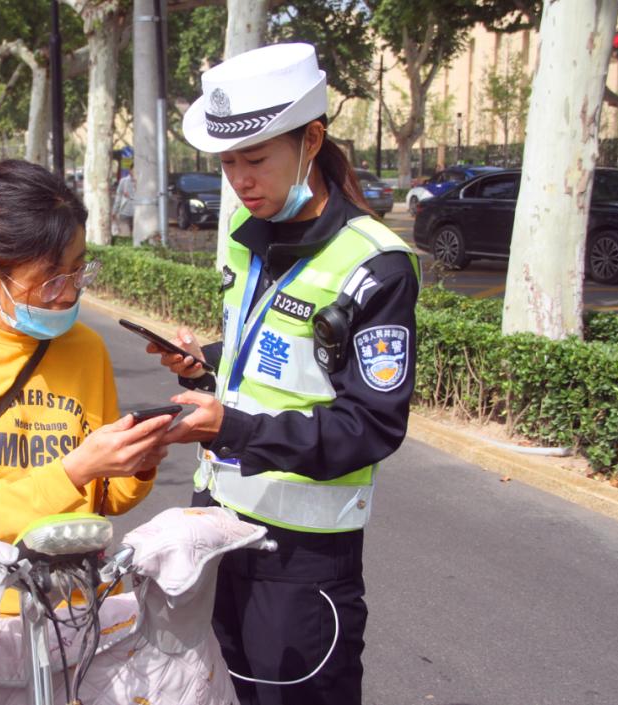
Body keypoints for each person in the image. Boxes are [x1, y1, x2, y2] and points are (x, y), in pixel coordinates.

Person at [151, 44, 420, 705]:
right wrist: (212, 361)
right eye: (227, 162)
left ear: (312, 140)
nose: (240, 180)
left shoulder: (376, 265)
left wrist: (234, 428)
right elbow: (275, 349)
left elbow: (371, 424)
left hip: (299, 557)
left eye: (256, 158)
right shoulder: (253, 231)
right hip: (218, 526)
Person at [0, 159, 171, 615]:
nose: (68, 293)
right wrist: (75, 470)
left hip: (80, 607)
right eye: (48, 280)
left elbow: (105, 500)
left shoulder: (86, 347)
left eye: (79, 271)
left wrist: (136, 463)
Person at [111, 168, 135, 237]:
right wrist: (114, 211)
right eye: (134, 170)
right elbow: (118, 197)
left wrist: (130, 196)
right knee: (125, 236)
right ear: (130, 170)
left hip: (138, 214)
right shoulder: (123, 181)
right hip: (124, 213)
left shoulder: (142, 183)